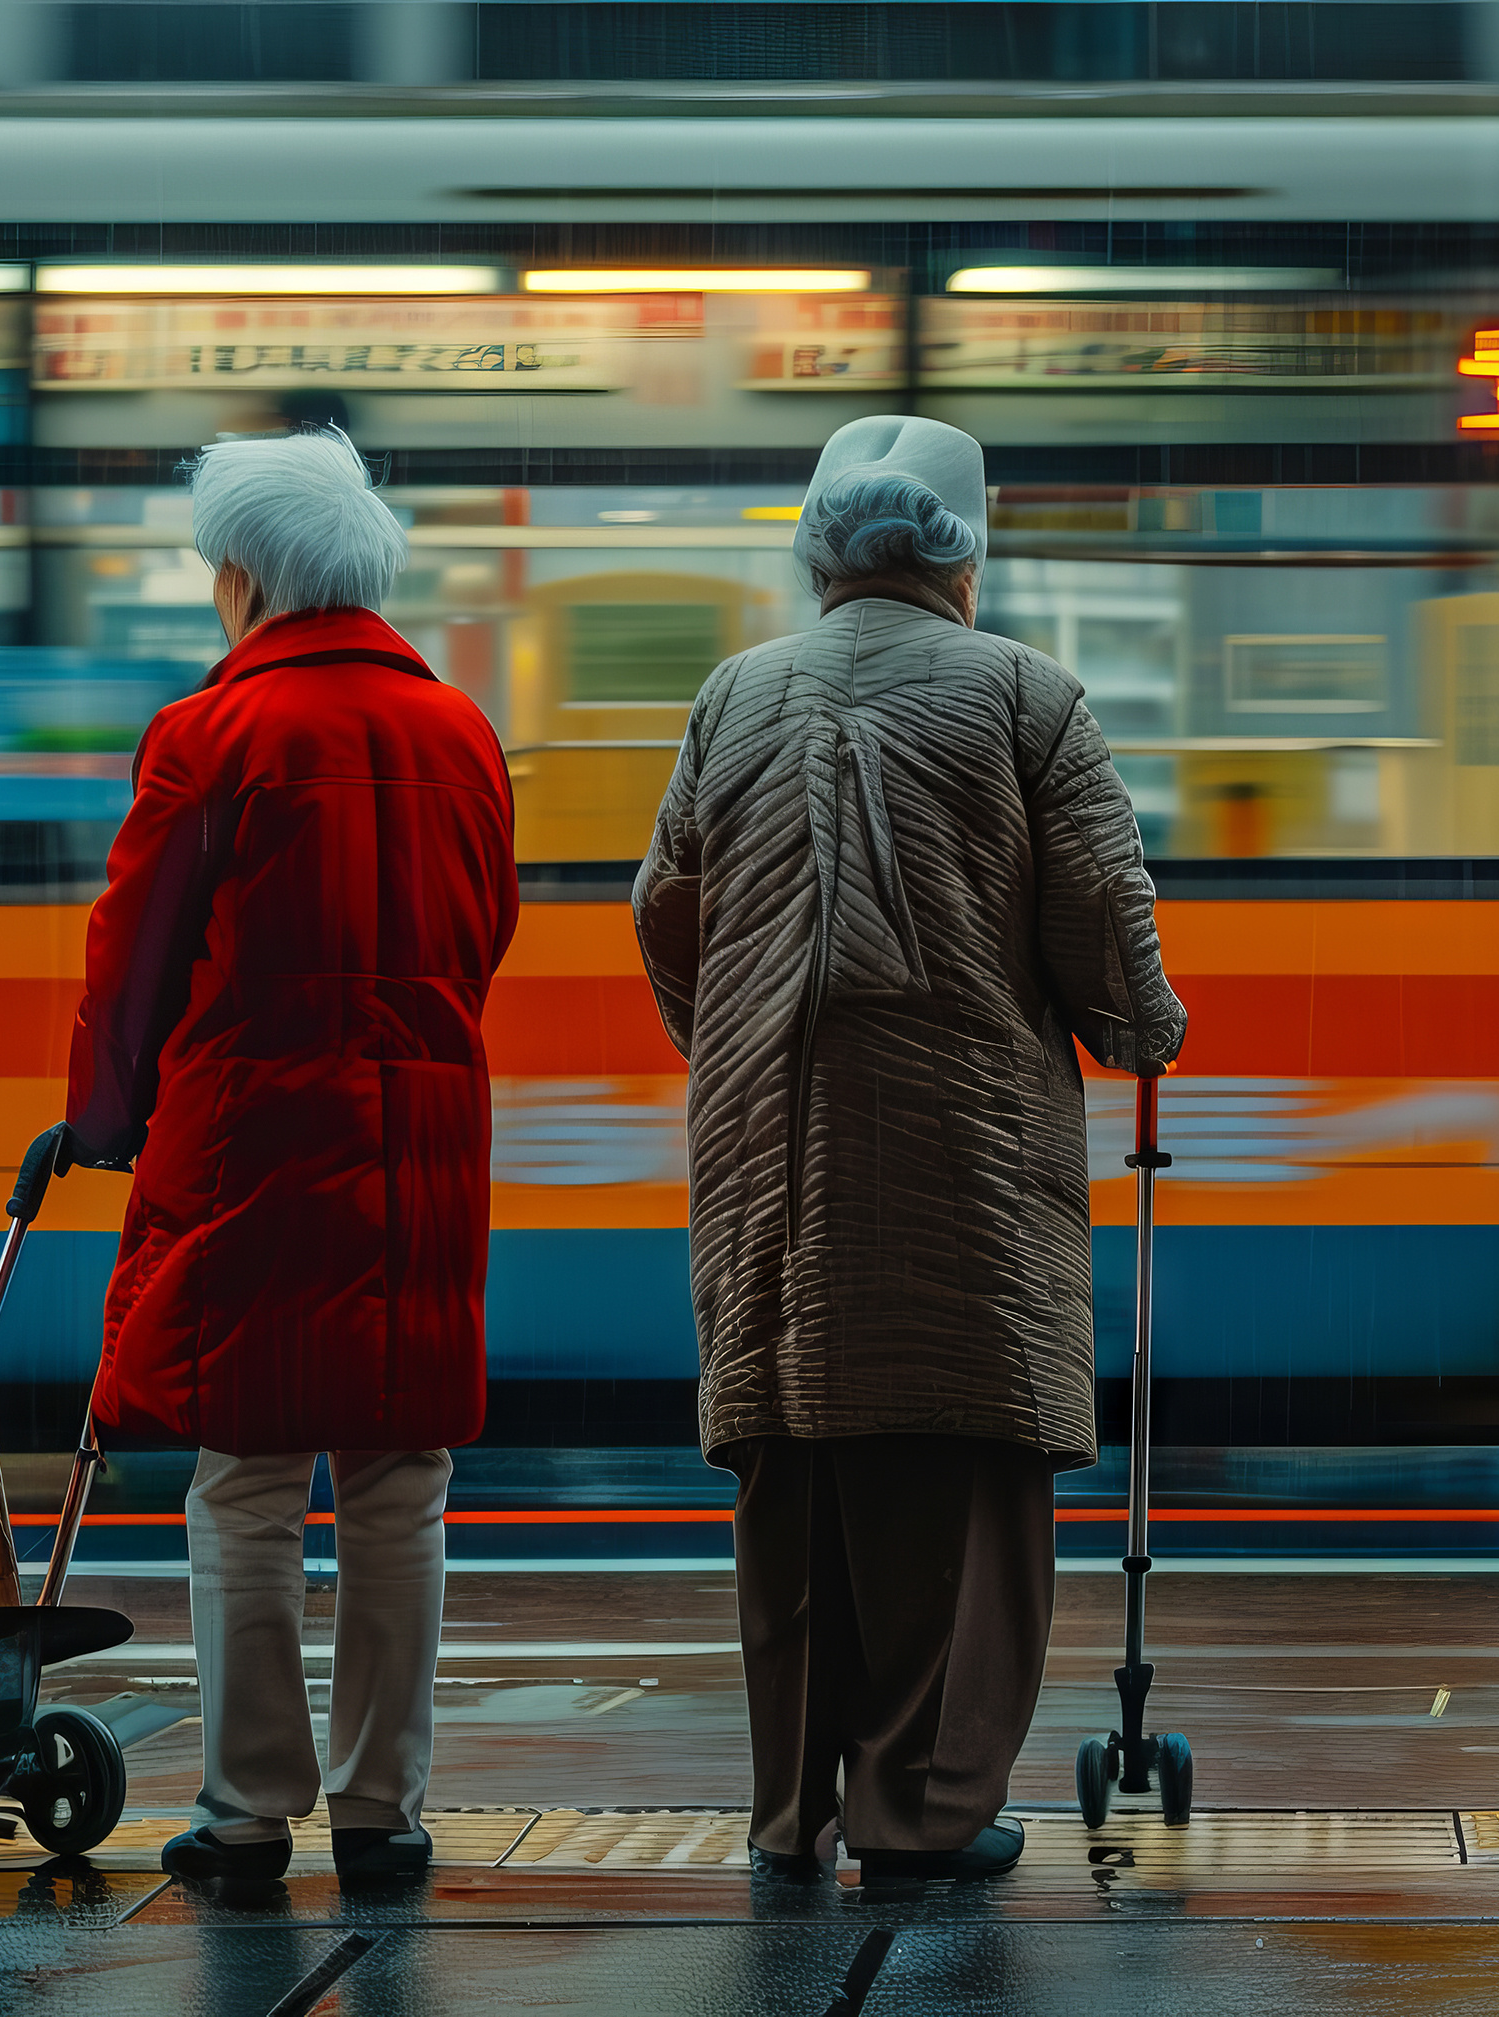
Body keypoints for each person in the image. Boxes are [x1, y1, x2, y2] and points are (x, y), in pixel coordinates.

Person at [634, 417, 1187, 1887]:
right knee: (955, 1481)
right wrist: (1144, 1024)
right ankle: (923, 1807)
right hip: (963, 1159)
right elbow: (1106, 944)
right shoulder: (1027, 699)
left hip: (767, 1158)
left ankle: (791, 1810)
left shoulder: (732, 696)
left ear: (820, 544)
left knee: (794, 1485)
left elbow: (665, 915)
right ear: (966, 547)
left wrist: (744, 1038)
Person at [60, 429, 515, 1899]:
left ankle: (250, 1809)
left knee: (247, 1475)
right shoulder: (460, 732)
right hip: (422, 1137)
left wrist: (104, 1112)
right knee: (399, 1477)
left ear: (248, 578)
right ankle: (381, 1810)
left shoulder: (213, 736)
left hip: (253, 1135)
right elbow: (484, 928)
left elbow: (134, 955)